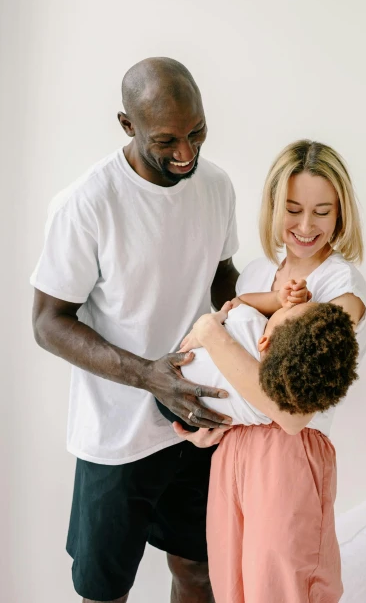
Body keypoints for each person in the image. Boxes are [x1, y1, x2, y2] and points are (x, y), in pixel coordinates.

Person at [31, 57, 239, 603]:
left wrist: (261, 324)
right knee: (105, 594)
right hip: (115, 438)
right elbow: (48, 323)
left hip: (198, 421)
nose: (186, 153)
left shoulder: (216, 186)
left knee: (199, 574)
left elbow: (221, 277)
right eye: (167, 139)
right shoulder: (86, 204)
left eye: (197, 132)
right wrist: (150, 377)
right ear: (128, 125)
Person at [175, 139, 366, 603]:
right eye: (292, 208)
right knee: (232, 592)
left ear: (341, 213)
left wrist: (211, 333)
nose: (305, 226)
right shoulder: (256, 277)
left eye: (322, 211)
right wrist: (206, 427)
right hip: (231, 455)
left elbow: (290, 414)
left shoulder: (344, 291)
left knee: (283, 593)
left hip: (288, 456)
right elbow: (238, 375)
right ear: (272, 207)